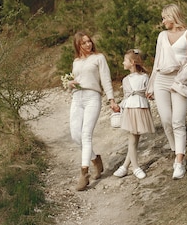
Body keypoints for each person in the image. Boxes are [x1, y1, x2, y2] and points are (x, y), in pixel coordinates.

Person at [147, 4, 187, 179]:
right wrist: (151, 85)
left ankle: (179, 161)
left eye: (164, 18)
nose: (162, 22)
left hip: (179, 80)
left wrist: (181, 80)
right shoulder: (162, 36)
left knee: (178, 121)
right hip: (161, 80)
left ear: (173, 17)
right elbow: (157, 61)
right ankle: (178, 150)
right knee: (167, 120)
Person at [66, 31, 120, 191]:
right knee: (75, 135)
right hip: (77, 97)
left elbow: (105, 79)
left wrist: (111, 99)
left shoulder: (99, 58)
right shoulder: (76, 61)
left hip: (92, 97)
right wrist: (71, 83)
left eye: (89, 41)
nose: (88, 44)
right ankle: (95, 159)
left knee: (86, 134)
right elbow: (77, 78)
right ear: (78, 45)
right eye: (83, 43)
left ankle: (84, 173)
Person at [112, 49, 156, 180]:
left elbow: (149, 93)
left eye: (125, 60)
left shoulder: (144, 77)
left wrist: (152, 95)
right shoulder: (126, 80)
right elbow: (127, 97)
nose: (122, 62)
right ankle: (135, 167)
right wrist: (119, 106)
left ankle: (125, 166)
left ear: (132, 63)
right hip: (130, 109)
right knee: (132, 140)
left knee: (135, 140)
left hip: (140, 108)